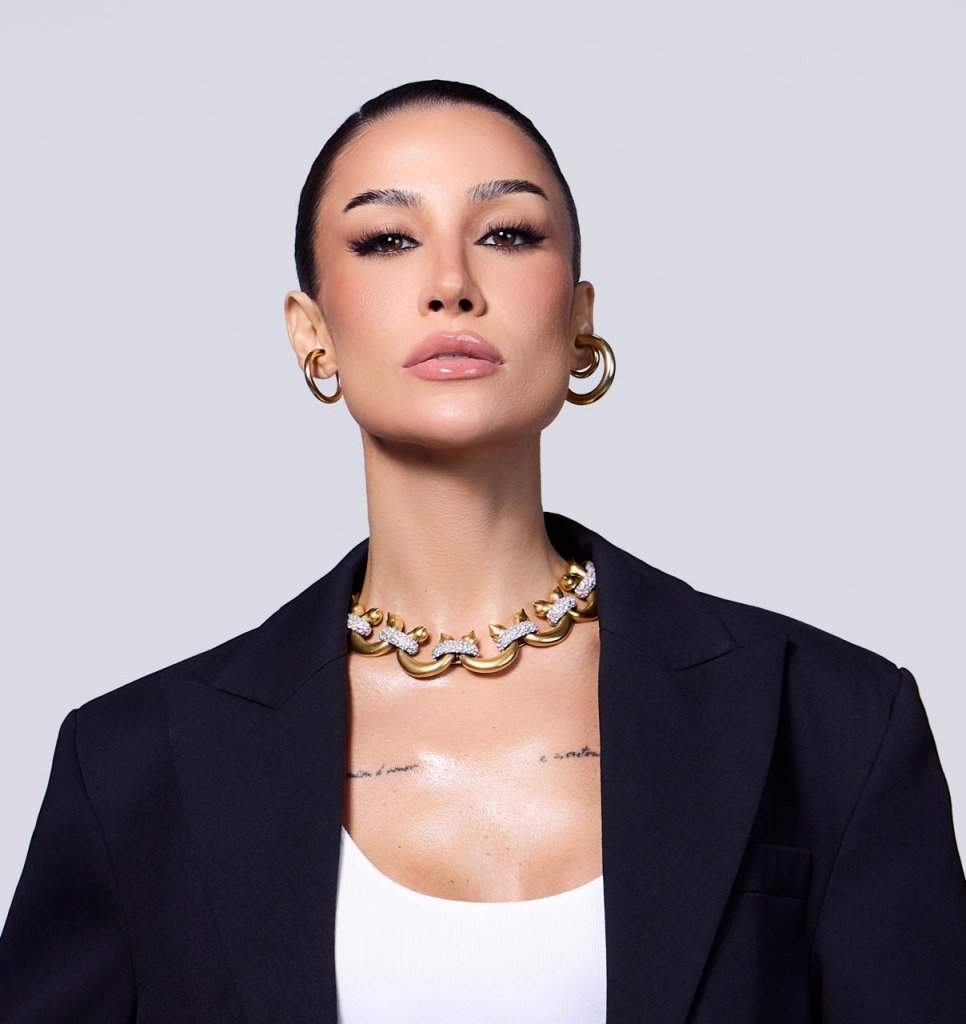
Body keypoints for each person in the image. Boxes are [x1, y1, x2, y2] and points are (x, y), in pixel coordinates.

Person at [1, 79, 964, 1024]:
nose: (452, 285)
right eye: (387, 240)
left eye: (507, 233)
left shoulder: (833, 722)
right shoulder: (134, 767)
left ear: (579, 319)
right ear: (312, 335)